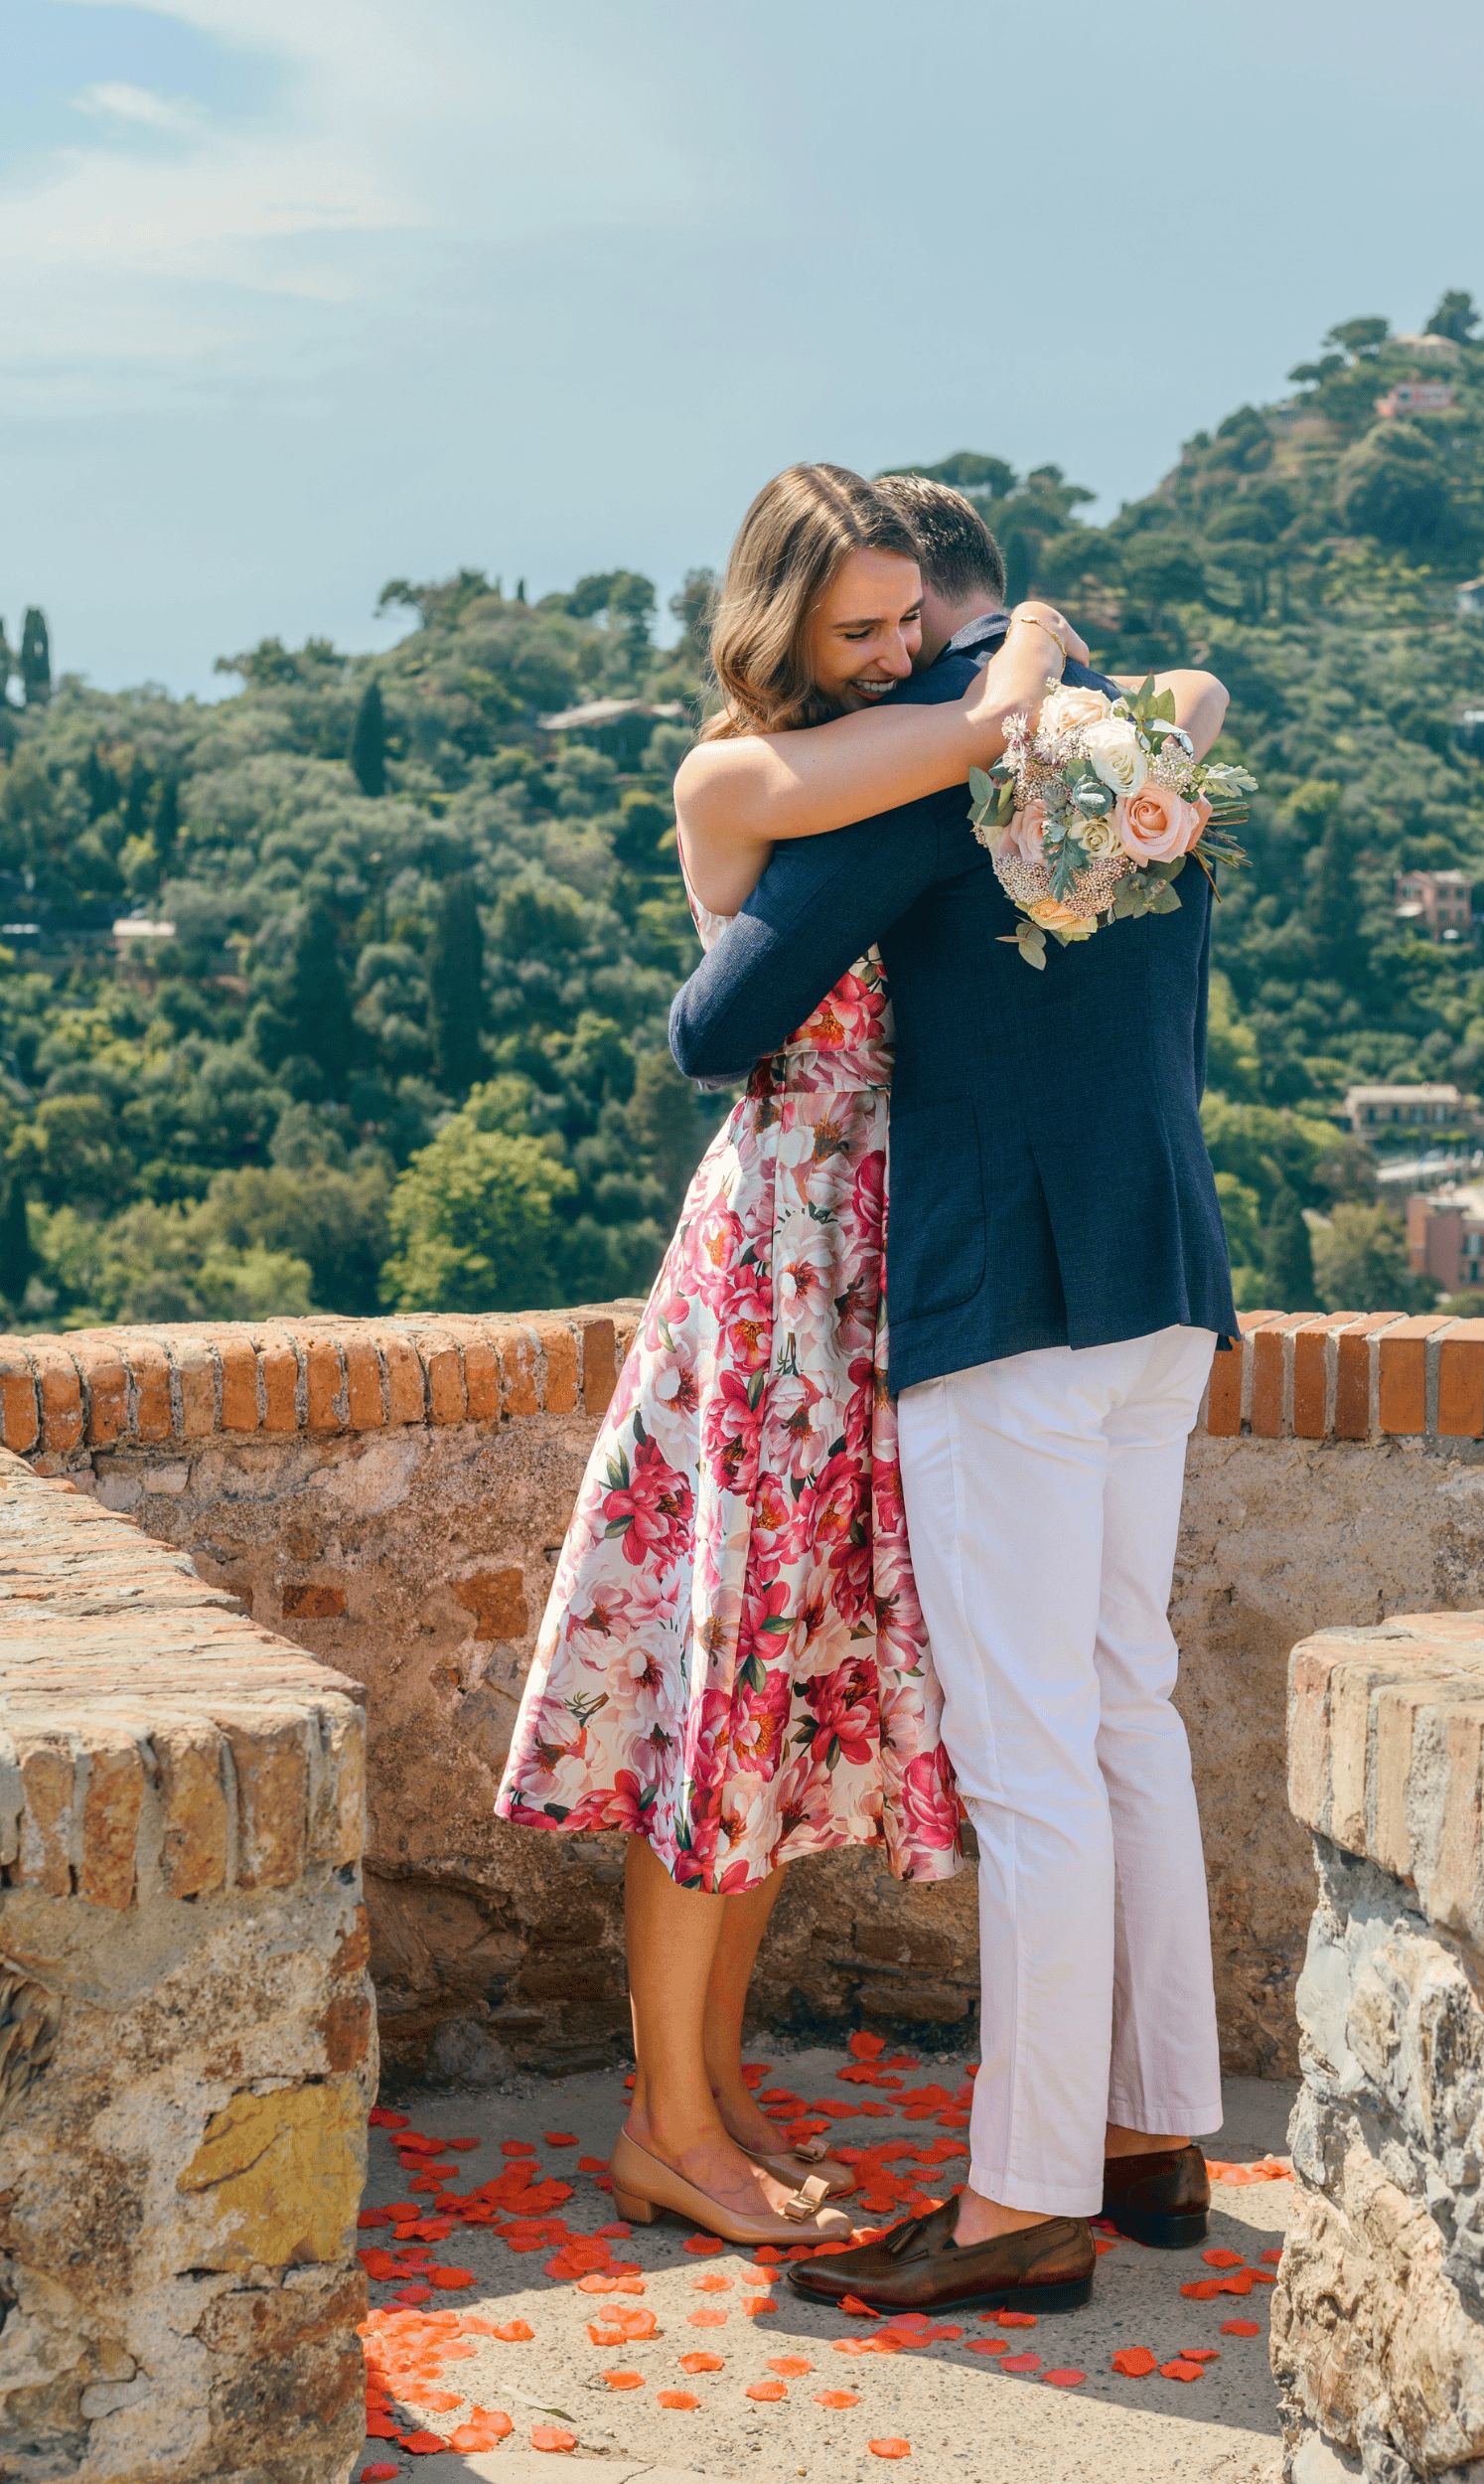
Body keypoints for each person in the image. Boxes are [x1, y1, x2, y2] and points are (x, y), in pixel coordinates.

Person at [491, 462, 1095, 2245]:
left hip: (871, 1258)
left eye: (909, 619)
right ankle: (669, 2125)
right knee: (711, 1702)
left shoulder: (889, 734)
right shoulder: (738, 771)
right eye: (856, 628)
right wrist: (1023, 651)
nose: (892, 652)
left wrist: (1015, 664)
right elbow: (987, 729)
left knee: (756, 1708)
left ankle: (705, 2094)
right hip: (778, 1264)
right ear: (773, 630)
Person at [663, 470, 1240, 2318]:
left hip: (1008, 1297)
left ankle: (1018, 2205)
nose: (893, 664)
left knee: (1030, 1759)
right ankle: (1156, 2136)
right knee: (1126, 1705)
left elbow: (721, 1025)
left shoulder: (936, 767)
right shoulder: (1138, 741)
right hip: (1164, 1277)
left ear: (943, 616)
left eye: (902, 633)